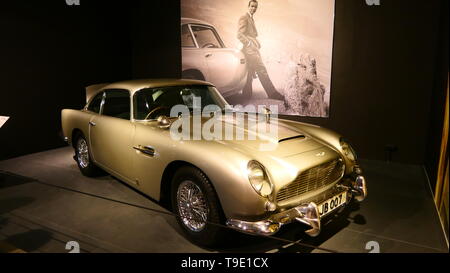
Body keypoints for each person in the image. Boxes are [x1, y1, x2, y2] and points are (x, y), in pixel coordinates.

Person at [237, 0, 286, 103]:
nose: (254, 9)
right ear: (248, 6)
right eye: (252, 6)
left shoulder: (251, 18)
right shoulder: (244, 17)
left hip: (253, 49)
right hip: (249, 50)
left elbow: (251, 34)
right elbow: (239, 35)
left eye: (255, 7)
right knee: (261, 69)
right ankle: (272, 93)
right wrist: (250, 43)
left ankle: (247, 94)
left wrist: (256, 42)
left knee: (250, 71)